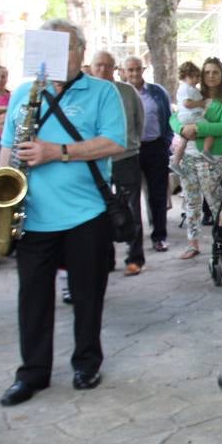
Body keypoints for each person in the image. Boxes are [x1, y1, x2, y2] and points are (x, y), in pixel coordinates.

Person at [0, 20, 126, 407]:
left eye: (64, 46)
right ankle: (31, 372)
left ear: (80, 51)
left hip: (86, 213)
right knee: (32, 298)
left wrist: (58, 152)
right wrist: (1, 194)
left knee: (88, 295)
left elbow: (115, 142)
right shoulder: (23, 93)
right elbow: (8, 146)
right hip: (32, 215)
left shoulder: (102, 91)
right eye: (47, 45)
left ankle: (86, 363)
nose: (54, 54)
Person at [174, 57, 222, 259]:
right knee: (191, 202)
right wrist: (182, 129)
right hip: (188, 156)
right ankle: (192, 244)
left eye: (215, 72)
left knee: (216, 202)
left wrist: (197, 129)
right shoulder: (193, 93)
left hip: (212, 157)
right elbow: (173, 118)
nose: (211, 76)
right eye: (207, 72)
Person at [92, 51, 146, 276]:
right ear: (92, 67)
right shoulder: (86, 94)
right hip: (95, 161)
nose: (103, 69)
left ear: (115, 69)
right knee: (99, 210)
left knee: (132, 209)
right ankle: (106, 258)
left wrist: (131, 144)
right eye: (98, 65)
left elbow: (139, 121)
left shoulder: (127, 91)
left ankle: (135, 258)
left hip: (126, 158)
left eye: (108, 65)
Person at [121, 57, 174, 253]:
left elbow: (169, 118)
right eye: (130, 70)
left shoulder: (157, 92)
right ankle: (133, 241)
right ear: (123, 72)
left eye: (137, 69)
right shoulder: (120, 93)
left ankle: (159, 236)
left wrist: (166, 142)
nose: (134, 73)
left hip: (155, 148)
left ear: (143, 70)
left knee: (157, 195)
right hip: (130, 150)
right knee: (130, 198)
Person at [172, 61, 214, 167]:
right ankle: (206, 151)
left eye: (197, 76)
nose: (196, 79)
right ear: (184, 77)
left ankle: (175, 163)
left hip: (185, 117)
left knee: (183, 140)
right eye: (192, 77)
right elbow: (187, 103)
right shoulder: (186, 88)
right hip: (191, 116)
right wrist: (201, 103)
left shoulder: (191, 88)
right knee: (210, 130)